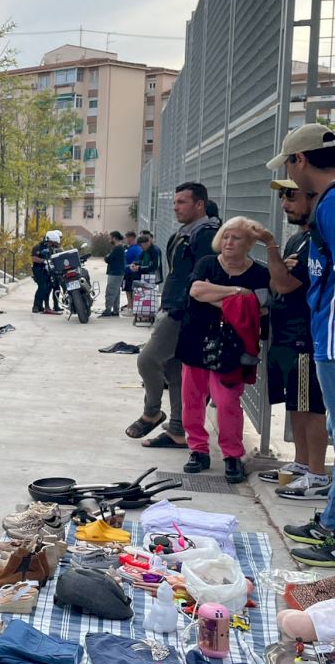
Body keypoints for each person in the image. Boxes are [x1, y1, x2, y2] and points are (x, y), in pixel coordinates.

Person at [269, 124, 335, 563]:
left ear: (301, 160)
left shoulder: (331, 204)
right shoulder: (324, 208)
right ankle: (329, 523)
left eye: (289, 165)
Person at [174, 217, 269, 482]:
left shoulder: (259, 273)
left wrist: (216, 295)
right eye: (226, 236)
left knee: (227, 401)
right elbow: (196, 290)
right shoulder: (207, 263)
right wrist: (237, 293)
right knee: (192, 398)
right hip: (196, 339)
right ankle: (198, 450)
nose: (228, 242)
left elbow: (260, 307)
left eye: (236, 238)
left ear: (248, 243)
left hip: (233, 347)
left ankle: (232, 455)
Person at [126, 182, 220, 448]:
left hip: (184, 312)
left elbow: (200, 277)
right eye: (175, 202)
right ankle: (178, 430)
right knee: (175, 370)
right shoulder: (185, 233)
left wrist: (179, 309)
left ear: (199, 205)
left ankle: (152, 412)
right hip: (173, 307)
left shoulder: (207, 236)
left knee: (147, 360)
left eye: (182, 202)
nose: (176, 207)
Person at [256, 179, 328, 499]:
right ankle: (301, 463)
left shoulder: (318, 239)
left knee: (312, 406)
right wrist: (279, 266)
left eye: (291, 196)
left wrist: (271, 247)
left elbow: (284, 284)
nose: (284, 203)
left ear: (312, 197)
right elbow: (276, 282)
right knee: (296, 403)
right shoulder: (298, 238)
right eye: (283, 196)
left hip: (305, 336)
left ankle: (317, 473)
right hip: (285, 333)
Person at [30, 229, 61, 314]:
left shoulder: (50, 248)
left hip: (48, 269)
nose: (52, 244)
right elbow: (34, 258)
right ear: (47, 240)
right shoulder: (38, 247)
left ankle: (43, 306)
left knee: (48, 287)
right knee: (42, 286)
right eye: (51, 242)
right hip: (38, 269)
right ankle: (36, 306)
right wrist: (43, 261)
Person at [100, 231, 125, 317]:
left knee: (110, 291)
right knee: (116, 292)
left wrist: (106, 257)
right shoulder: (120, 247)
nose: (110, 240)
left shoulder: (117, 248)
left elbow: (108, 259)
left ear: (114, 238)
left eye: (110, 238)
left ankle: (108, 310)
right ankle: (115, 310)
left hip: (114, 273)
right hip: (118, 273)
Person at [122, 231, 141, 312]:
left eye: (127, 238)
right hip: (127, 272)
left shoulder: (136, 248)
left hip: (133, 272)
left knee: (132, 289)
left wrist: (133, 265)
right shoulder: (128, 248)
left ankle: (132, 306)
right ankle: (129, 304)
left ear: (131, 238)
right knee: (127, 289)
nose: (126, 240)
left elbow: (138, 259)